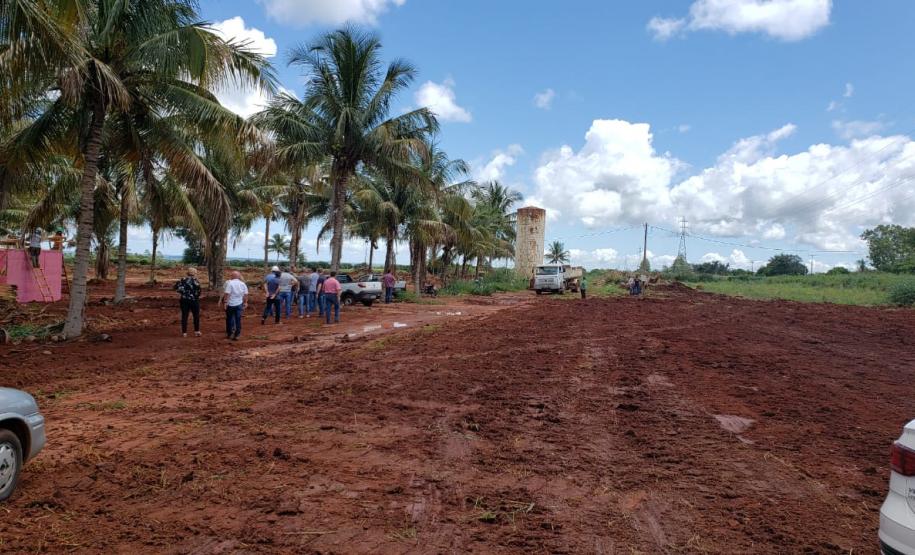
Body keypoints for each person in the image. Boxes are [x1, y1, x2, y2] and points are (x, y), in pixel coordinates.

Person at [174, 267, 202, 337]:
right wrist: (195, 296)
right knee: (196, 316)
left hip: (184, 300)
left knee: (184, 316)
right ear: (195, 273)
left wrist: (184, 293)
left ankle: (184, 333)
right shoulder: (196, 281)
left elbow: (177, 289)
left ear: (188, 273)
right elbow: (199, 292)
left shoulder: (182, 280)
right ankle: (196, 331)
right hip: (194, 300)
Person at [220, 270, 248, 340]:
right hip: (239, 304)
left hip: (230, 304)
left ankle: (229, 334)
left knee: (229, 319)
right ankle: (237, 335)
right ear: (239, 276)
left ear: (232, 276)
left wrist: (225, 302)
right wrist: (245, 302)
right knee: (238, 319)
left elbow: (227, 294)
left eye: (231, 275)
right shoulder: (243, 284)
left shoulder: (230, 283)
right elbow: (246, 294)